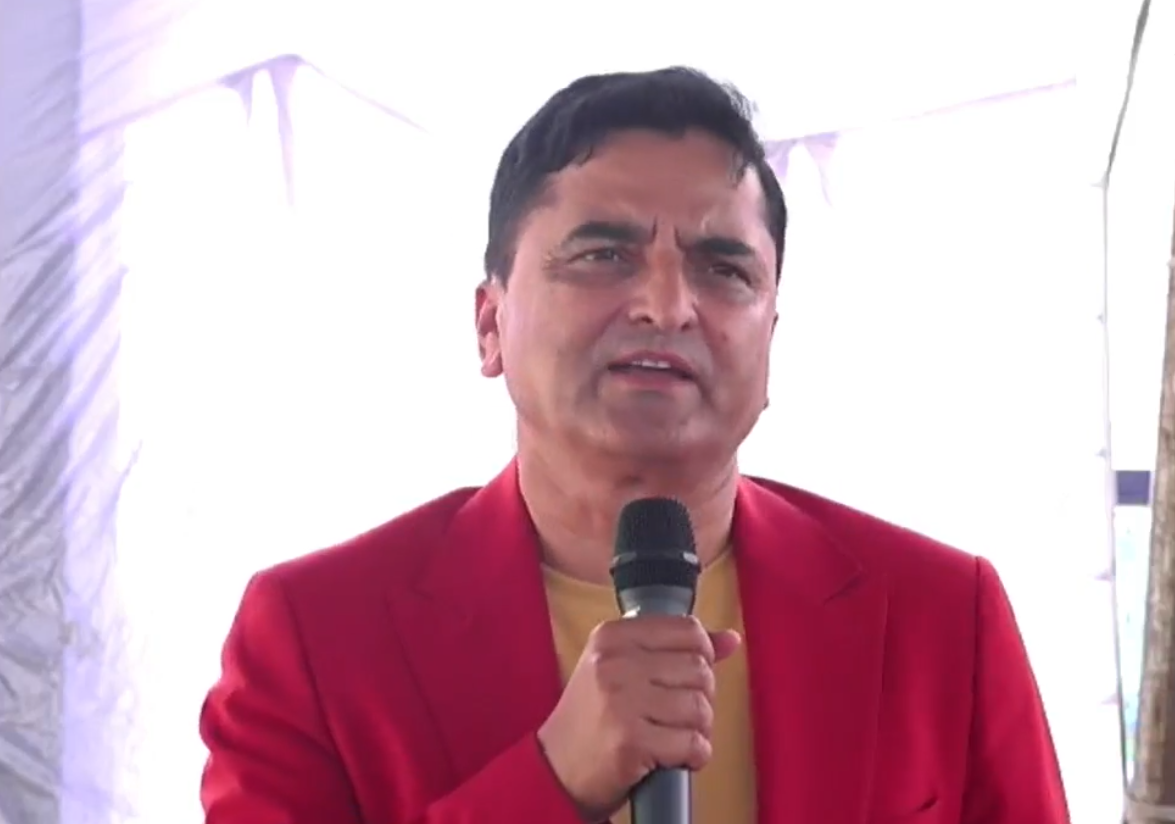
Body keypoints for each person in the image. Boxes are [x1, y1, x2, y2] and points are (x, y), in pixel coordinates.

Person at [199, 67, 1070, 824]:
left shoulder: (941, 618)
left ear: (770, 337)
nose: (666, 305)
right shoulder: (316, 636)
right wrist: (552, 781)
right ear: (490, 324)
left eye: (723, 269)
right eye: (603, 256)